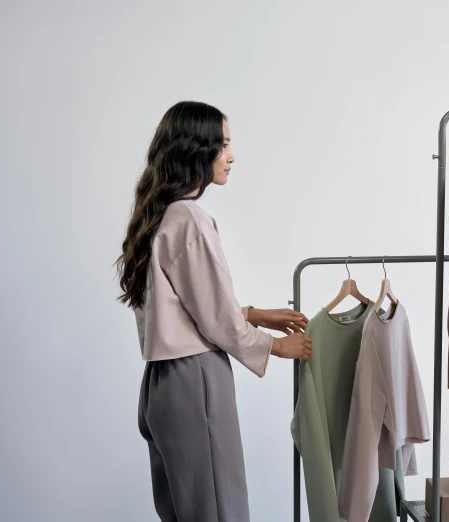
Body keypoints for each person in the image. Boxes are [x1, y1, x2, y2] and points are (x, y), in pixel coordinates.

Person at [115, 101, 313, 522]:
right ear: (196, 150)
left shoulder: (158, 215)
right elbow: (216, 320)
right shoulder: (190, 219)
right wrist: (277, 347)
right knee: (218, 510)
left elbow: (185, 305)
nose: (231, 156)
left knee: (184, 510)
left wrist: (255, 314)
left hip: (161, 383)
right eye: (222, 145)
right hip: (195, 379)